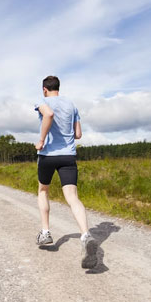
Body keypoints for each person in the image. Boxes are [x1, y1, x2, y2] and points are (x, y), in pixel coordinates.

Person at [34, 75, 98, 269]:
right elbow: (78, 134)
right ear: (58, 88)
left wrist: (42, 140)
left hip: (47, 155)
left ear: (45, 89)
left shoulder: (42, 101)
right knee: (72, 197)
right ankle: (86, 235)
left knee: (43, 190)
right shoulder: (72, 105)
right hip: (68, 156)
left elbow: (49, 114)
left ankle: (45, 232)